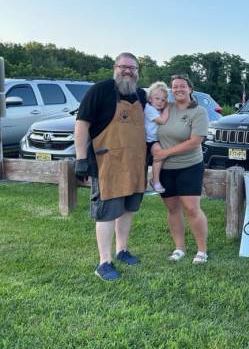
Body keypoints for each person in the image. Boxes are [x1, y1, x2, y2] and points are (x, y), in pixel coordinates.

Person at [74, 53, 147, 281]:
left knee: (127, 209)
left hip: (135, 163)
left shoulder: (142, 95)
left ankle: (122, 250)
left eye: (132, 68)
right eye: (123, 67)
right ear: (115, 68)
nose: (128, 71)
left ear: (138, 72)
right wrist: (81, 158)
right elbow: (81, 124)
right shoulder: (100, 90)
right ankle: (104, 262)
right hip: (108, 163)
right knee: (106, 213)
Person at [153, 74, 209, 264]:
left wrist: (165, 152)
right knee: (172, 208)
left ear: (190, 89)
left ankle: (202, 250)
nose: (178, 89)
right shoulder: (166, 108)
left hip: (189, 166)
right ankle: (180, 248)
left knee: (192, 208)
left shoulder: (199, 112)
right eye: (174, 87)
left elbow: (195, 142)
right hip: (166, 168)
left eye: (182, 86)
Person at [144, 82, 170, 193]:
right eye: (157, 98)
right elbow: (162, 121)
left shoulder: (158, 109)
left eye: (163, 100)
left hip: (157, 139)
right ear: (150, 99)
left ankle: (157, 179)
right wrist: (168, 107)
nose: (160, 102)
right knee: (159, 155)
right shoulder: (149, 108)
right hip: (149, 140)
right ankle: (155, 181)